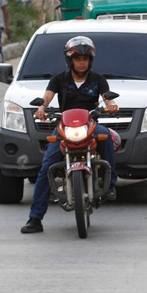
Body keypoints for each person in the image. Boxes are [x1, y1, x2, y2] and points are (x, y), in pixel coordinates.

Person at [21, 36, 119, 234]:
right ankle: (35, 218)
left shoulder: (98, 80)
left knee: (106, 137)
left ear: (90, 60)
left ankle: (111, 183)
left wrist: (111, 106)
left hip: (90, 126)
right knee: (46, 167)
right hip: (64, 128)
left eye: (85, 59)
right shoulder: (59, 79)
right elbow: (47, 97)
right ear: (70, 61)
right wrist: (42, 107)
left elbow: (106, 99)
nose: (81, 62)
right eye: (77, 59)